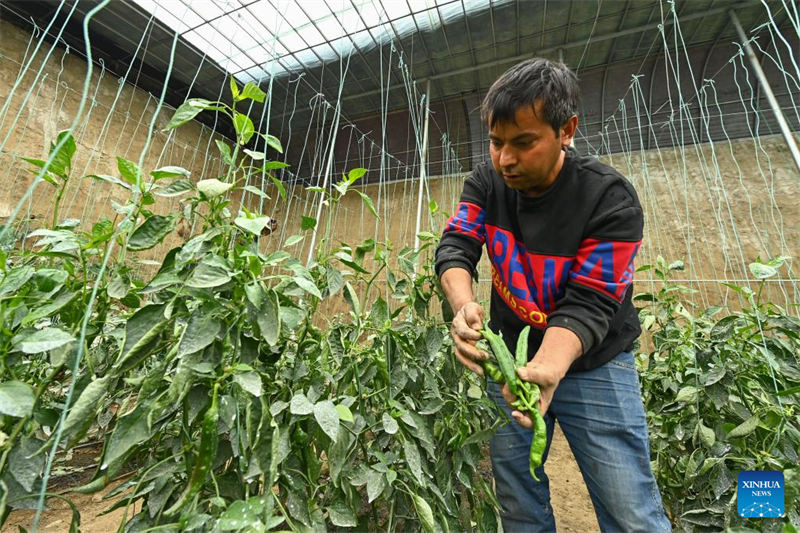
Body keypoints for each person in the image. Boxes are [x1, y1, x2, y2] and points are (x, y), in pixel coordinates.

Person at [434, 58, 672, 532]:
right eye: (497, 142)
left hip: (594, 362)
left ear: (566, 130)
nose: (505, 159)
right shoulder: (487, 182)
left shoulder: (608, 198)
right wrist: (463, 307)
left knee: (630, 510)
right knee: (519, 502)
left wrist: (550, 365)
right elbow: (456, 246)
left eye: (524, 143)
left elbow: (591, 301)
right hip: (512, 361)